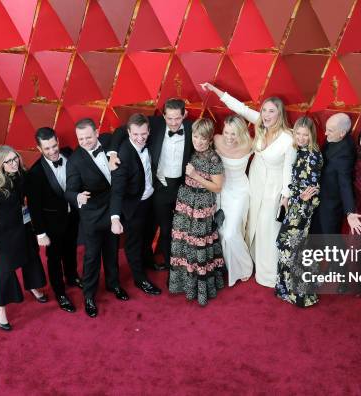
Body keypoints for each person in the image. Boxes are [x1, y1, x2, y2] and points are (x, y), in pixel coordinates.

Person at [201, 82, 296, 288]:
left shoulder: (289, 139)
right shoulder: (261, 125)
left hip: (274, 188)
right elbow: (241, 109)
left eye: (272, 111)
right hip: (254, 182)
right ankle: (250, 260)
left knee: (268, 228)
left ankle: (269, 274)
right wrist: (216, 91)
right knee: (251, 224)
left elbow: (289, 169)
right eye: (264, 110)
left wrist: (285, 196)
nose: (267, 114)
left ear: (280, 113)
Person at [108, 99, 193, 271]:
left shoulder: (192, 127)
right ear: (163, 116)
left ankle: (185, 263)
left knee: (183, 228)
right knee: (163, 227)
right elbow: (120, 131)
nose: (174, 122)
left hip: (183, 186)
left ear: (184, 114)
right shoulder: (154, 123)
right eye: (170, 118)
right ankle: (171, 269)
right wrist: (112, 154)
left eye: (178, 118)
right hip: (159, 186)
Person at [65, 118, 129, 318]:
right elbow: (69, 190)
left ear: (97, 132)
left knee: (111, 251)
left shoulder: (109, 140)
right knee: (92, 257)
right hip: (92, 215)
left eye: (88, 137)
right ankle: (89, 296)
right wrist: (77, 196)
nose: (84, 142)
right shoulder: (75, 160)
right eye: (80, 138)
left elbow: (121, 130)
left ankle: (113, 284)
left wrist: (111, 153)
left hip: (113, 210)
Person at [0, 145, 48, 331]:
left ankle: (33, 286)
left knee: (31, 257)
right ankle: (0, 309)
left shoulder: (21, 175)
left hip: (24, 228)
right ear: (1, 164)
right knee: (6, 270)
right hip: (3, 234)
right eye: (8, 161)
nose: (13, 163)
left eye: (15, 158)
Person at [169, 118, 225, 306]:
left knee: (198, 245)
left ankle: (201, 290)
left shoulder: (213, 158)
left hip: (201, 204)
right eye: (195, 136)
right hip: (185, 203)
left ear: (209, 139)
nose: (198, 141)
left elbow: (217, 187)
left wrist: (195, 176)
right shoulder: (190, 151)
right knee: (184, 242)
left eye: (203, 138)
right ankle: (184, 285)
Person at [27, 128, 82, 314]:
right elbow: (34, 207)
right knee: (54, 258)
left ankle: (72, 277)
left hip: (73, 216)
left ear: (58, 140)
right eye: (47, 148)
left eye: (54, 145)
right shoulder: (35, 173)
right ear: (39, 148)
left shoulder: (68, 153)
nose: (52, 151)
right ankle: (60, 292)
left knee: (71, 249)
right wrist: (40, 233)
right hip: (51, 224)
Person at [109, 114, 162, 296]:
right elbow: (117, 190)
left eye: (144, 134)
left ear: (149, 131)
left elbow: (118, 131)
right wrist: (115, 218)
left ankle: (148, 260)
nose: (140, 138)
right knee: (134, 243)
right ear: (129, 132)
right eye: (136, 135)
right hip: (134, 205)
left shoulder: (149, 131)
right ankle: (140, 280)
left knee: (148, 234)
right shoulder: (123, 156)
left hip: (150, 198)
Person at [275, 116, 323, 307]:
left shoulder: (312, 156)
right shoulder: (301, 151)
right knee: (290, 248)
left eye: (305, 134)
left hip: (301, 210)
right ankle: (288, 289)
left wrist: (293, 198)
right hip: (296, 206)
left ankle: (300, 294)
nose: (301, 138)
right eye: (298, 134)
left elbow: (308, 191)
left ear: (312, 135)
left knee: (291, 248)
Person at [213, 115, 254, 286]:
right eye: (227, 133)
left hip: (240, 192)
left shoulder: (250, 144)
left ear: (242, 133)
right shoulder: (216, 140)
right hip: (221, 191)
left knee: (230, 233)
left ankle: (245, 266)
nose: (229, 138)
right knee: (221, 231)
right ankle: (231, 266)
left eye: (234, 134)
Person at [310, 113, 361, 235]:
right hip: (318, 200)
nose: (325, 133)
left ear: (342, 133)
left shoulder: (345, 153)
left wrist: (350, 211)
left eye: (330, 130)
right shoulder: (334, 137)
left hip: (329, 206)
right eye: (326, 128)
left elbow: (345, 183)